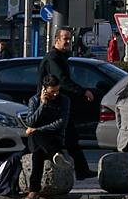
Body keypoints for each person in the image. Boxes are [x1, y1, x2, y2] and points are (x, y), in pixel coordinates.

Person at [40, 27, 95, 179]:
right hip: (52, 103)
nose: (68, 42)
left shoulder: (60, 57)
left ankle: (81, 169)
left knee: (70, 137)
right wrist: (83, 91)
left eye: (69, 38)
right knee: (66, 136)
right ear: (56, 39)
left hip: (58, 102)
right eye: (65, 38)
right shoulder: (53, 57)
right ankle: (79, 169)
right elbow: (62, 81)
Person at [21, 75, 72, 199]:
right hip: (38, 140)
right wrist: (43, 105)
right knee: (35, 135)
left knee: (37, 155)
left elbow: (61, 123)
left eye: (57, 91)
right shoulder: (34, 100)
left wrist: (38, 129)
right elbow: (30, 122)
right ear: (44, 89)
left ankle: (33, 192)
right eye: (52, 91)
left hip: (54, 139)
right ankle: (56, 154)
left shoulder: (64, 100)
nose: (55, 94)